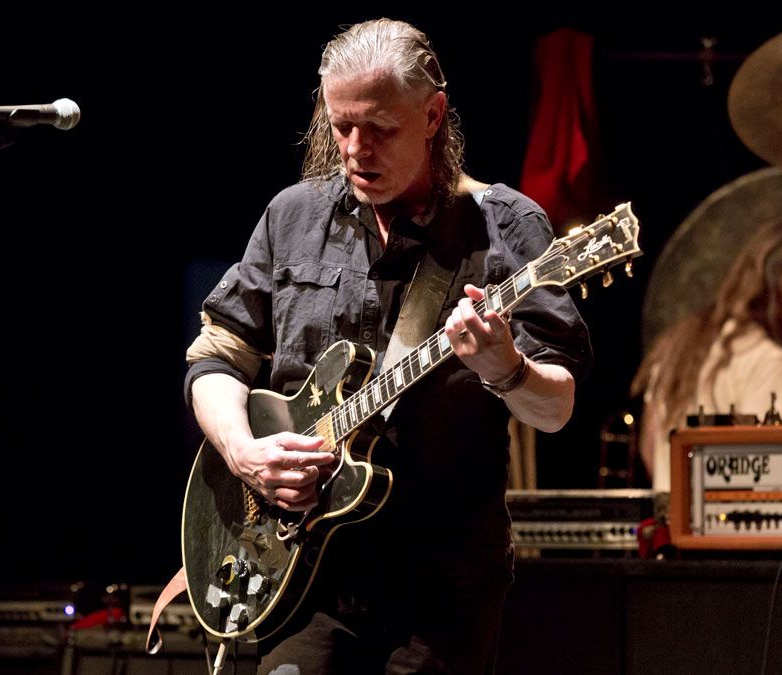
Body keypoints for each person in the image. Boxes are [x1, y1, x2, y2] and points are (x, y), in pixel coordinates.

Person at [183, 18, 591, 674]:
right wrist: (245, 451)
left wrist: (507, 369)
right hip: (301, 572)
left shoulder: (506, 227)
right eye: (340, 125)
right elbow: (216, 356)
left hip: (443, 592)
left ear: (433, 116)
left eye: (379, 128)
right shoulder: (292, 217)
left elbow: (557, 407)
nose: (354, 148)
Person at [633, 219, 782, 491]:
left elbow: (651, 449)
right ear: (772, 275)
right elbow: (778, 484)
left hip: (668, 527)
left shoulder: (679, 344)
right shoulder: (771, 363)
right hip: (729, 533)